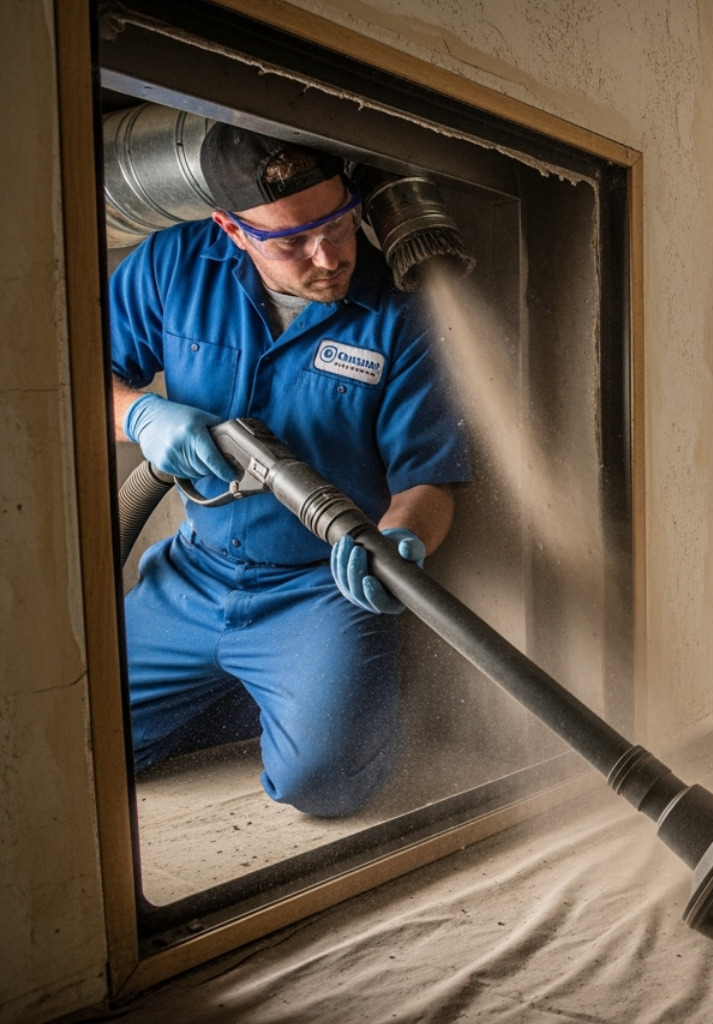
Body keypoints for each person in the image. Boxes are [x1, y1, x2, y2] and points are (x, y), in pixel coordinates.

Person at [110, 124, 470, 817]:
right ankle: (263, 693)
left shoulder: (402, 311)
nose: (329, 256)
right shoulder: (171, 265)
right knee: (78, 733)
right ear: (232, 230)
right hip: (194, 575)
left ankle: (307, 691)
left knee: (325, 783)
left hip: (321, 588)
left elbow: (428, 477)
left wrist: (401, 539)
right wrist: (141, 415)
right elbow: (72, 373)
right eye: (292, 242)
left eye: (338, 224)